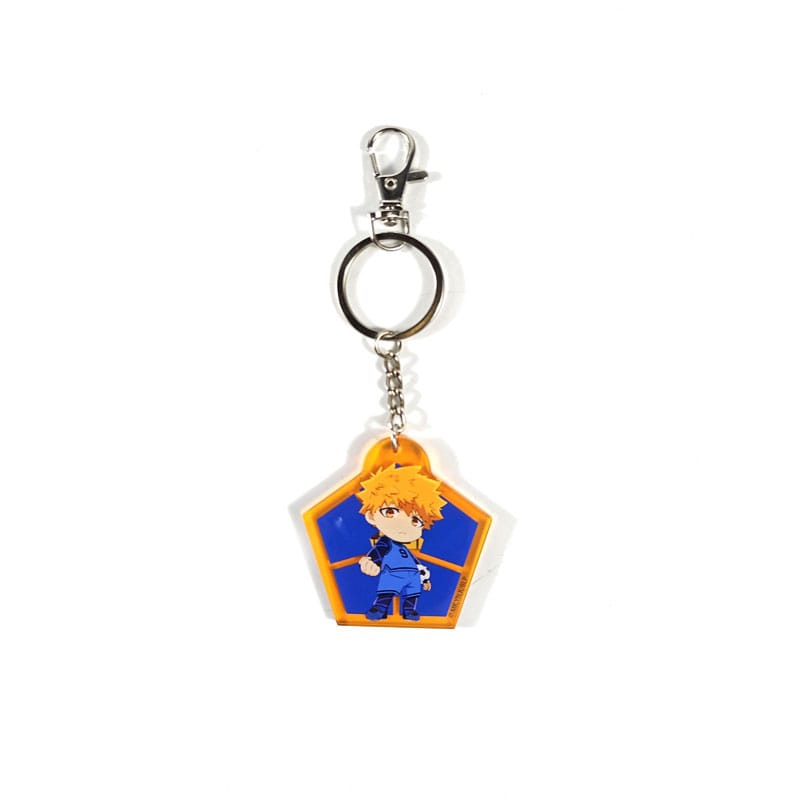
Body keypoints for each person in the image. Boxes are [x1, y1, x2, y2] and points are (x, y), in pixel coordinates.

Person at [357, 465, 446, 621]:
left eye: (416, 520)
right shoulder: (385, 542)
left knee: (412, 595)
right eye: (390, 512)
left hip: (413, 575)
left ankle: (409, 612)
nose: (404, 525)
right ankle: (379, 609)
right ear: (371, 516)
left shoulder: (404, 548)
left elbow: (417, 564)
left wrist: (424, 579)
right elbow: (377, 553)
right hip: (393, 573)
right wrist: (370, 562)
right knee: (386, 593)